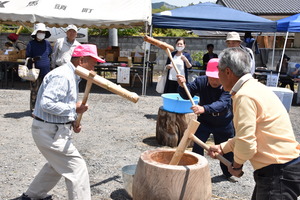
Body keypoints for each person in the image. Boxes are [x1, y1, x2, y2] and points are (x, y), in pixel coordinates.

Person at [207, 47, 300, 199]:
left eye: (219, 71)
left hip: (278, 171)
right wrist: (223, 148)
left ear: (228, 72)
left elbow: (246, 143)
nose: (217, 75)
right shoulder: (255, 88)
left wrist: (236, 165)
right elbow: (249, 135)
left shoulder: (245, 96)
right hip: (283, 167)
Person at [19, 44, 105, 200]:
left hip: (55, 130)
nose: (95, 67)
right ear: (82, 60)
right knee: (77, 169)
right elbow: (47, 104)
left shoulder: (73, 75)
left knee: (56, 165)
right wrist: (73, 109)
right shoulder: (63, 76)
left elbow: (58, 105)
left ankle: (31, 196)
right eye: (93, 63)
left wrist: (72, 121)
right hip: (48, 132)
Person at [177, 58, 235, 182]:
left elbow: (223, 103)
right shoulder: (201, 81)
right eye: (211, 77)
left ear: (223, 74)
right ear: (206, 74)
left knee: (227, 149)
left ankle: (229, 173)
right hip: (205, 121)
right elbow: (186, 94)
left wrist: (204, 108)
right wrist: (182, 86)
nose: (214, 80)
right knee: (197, 146)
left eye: (217, 77)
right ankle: (195, 171)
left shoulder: (228, 85)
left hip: (223, 122)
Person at [26, 23, 52, 112]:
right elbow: (27, 57)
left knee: (45, 91)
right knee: (34, 91)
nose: (42, 33)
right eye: (40, 31)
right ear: (36, 33)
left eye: (43, 32)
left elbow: (49, 54)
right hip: (34, 71)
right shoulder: (31, 44)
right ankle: (33, 109)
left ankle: (42, 109)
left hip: (46, 71)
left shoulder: (47, 43)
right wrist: (33, 59)